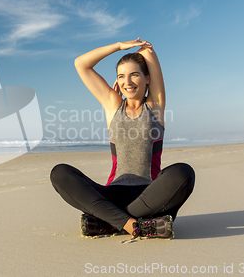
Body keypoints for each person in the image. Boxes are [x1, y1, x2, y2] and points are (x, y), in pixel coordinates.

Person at [50, 38, 195, 239]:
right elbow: (81, 64)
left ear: (147, 78)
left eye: (134, 75)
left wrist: (143, 48)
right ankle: (136, 225)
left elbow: (149, 53)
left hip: (149, 194)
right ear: (117, 81)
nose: (127, 82)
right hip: (111, 196)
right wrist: (118, 46)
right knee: (60, 173)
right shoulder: (112, 105)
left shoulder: (155, 106)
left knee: (184, 172)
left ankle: (110, 222)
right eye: (121, 76)